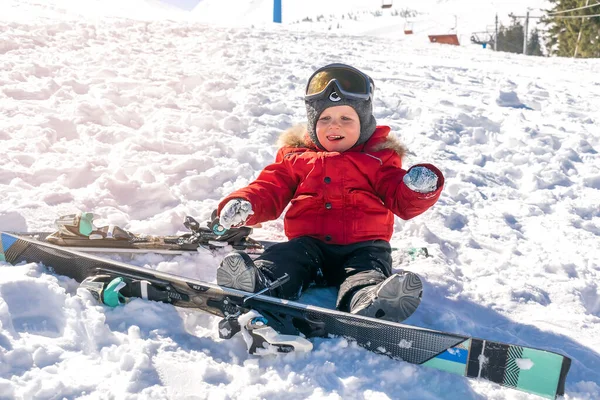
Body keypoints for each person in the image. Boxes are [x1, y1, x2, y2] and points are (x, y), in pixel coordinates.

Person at [215, 63, 444, 322]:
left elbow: (399, 198)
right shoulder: (296, 157)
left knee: (366, 272)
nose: (335, 126)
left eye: (346, 118)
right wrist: (246, 202)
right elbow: (270, 188)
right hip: (309, 244)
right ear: (313, 125)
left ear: (364, 123)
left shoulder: (379, 159)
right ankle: (260, 281)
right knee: (285, 257)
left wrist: (416, 189)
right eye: (325, 119)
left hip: (364, 247)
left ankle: (369, 300)